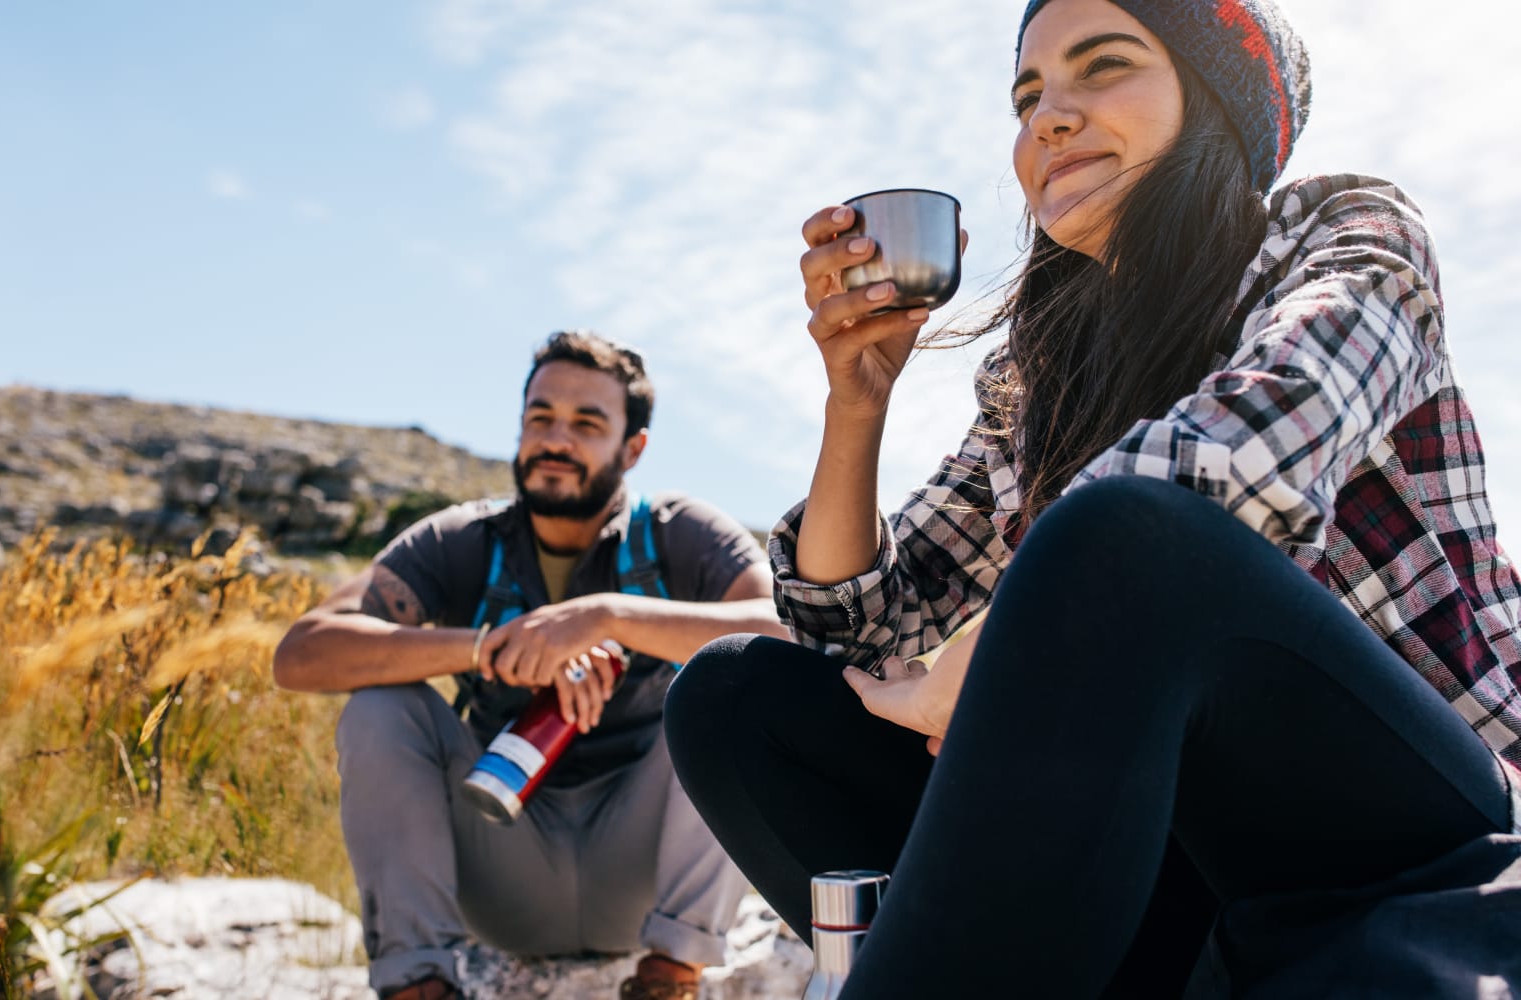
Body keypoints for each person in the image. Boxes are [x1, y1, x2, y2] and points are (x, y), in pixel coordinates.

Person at [663, 0, 1521, 996]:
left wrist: (992, 648)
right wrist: (853, 402)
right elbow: (866, 639)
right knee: (739, 698)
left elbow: (1252, 453)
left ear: (1215, 105)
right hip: (1169, 863)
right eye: (1026, 96)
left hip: (1411, 840)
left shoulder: (1339, 234)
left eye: (1100, 67)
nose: (1046, 121)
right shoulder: (1030, 382)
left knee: (1128, 542)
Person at [274, 331, 785, 1000]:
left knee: (733, 687)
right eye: (540, 418)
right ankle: (418, 985)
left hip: (646, 878)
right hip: (500, 866)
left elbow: (785, 639)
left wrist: (605, 617)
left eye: (586, 423)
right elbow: (303, 653)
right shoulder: (460, 540)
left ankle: (671, 980)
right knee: (381, 706)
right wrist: (489, 647)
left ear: (633, 449)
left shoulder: (680, 534)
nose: (556, 440)